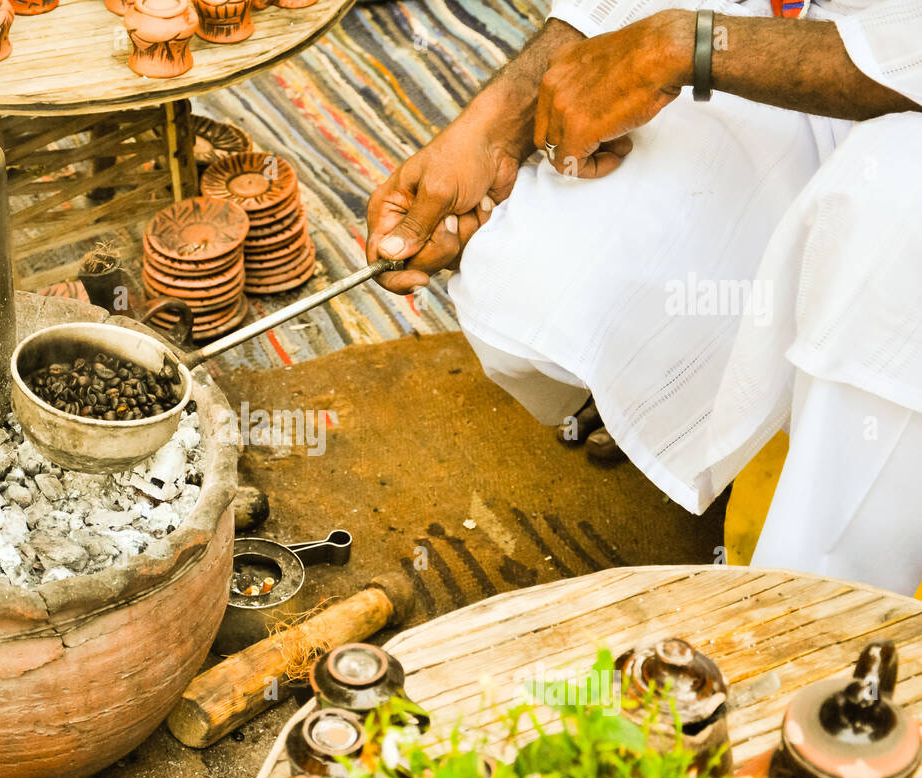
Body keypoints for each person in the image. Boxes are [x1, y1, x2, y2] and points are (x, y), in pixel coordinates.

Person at [366, 0, 922, 595]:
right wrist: (492, 130)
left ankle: (819, 617)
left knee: (886, 223)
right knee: (539, 266)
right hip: (800, 37)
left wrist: (686, 47)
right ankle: (683, 398)